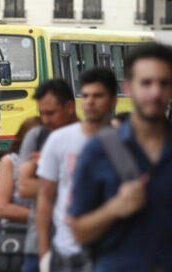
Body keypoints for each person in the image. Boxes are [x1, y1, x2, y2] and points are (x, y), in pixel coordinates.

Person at [69, 43, 172, 272]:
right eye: (146, 83)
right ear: (129, 87)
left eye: (164, 83)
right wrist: (114, 208)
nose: (155, 92)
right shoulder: (98, 151)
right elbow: (78, 230)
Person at [36, 67, 118, 272]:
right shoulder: (59, 140)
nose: (90, 102)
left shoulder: (124, 142)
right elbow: (45, 197)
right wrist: (44, 253)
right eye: (86, 96)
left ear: (113, 100)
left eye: (98, 96)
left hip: (111, 250)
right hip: (67, 251)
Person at [17, 79, 78, 272]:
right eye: (41, 113)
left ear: (69, 107)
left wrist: (45, 172)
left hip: (79, 248)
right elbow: (24, 187)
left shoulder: (89, 138)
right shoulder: (37, 137)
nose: (45, 120)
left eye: (51, 113)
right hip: (37, 247)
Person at [0, 116, 41, 224]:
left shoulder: (53, 161)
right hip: (16, 233)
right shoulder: (10, 162)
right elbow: (2, 207)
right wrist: (43, 217)